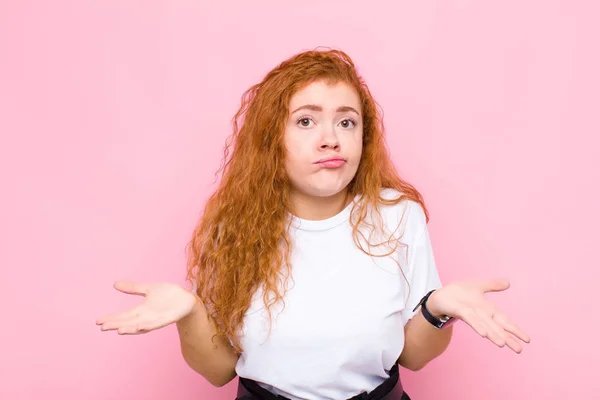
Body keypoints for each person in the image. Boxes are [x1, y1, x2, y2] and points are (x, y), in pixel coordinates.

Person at [96, 48, 530, 400]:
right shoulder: (234, 226)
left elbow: (413, 358)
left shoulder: (399, 215)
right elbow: (218, 370)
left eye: (347, 121)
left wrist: (439, 307)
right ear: (272, 139)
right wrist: (189, 311)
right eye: (306, 121)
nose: (331, 138)